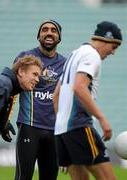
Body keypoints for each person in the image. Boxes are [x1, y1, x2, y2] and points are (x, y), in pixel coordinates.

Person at [53, 21, 122, 180]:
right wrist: (102, 118)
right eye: (114, 47)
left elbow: (56, 96)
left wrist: (61, 126)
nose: (113, 52)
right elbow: (79, 87)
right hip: (79, 126)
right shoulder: (92, 55)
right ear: (106, 39)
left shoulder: (74, 54)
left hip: (61, 131)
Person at [14, 20, 67, 180]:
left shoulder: (65, 63)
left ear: (59, 37)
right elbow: (11, 87)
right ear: (39, 36)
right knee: (23, 177)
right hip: (29, 126)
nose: (49, 32)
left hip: (54, 131)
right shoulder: (25, 57)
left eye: (54, 30)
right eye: (44, 30)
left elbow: (67, 101)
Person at [0, 54, 43, 142]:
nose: (37, 80)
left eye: (38, 76)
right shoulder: (3, 85)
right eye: (34, 74)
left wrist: (2, 124)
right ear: (21, 72)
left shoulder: (9, 87)